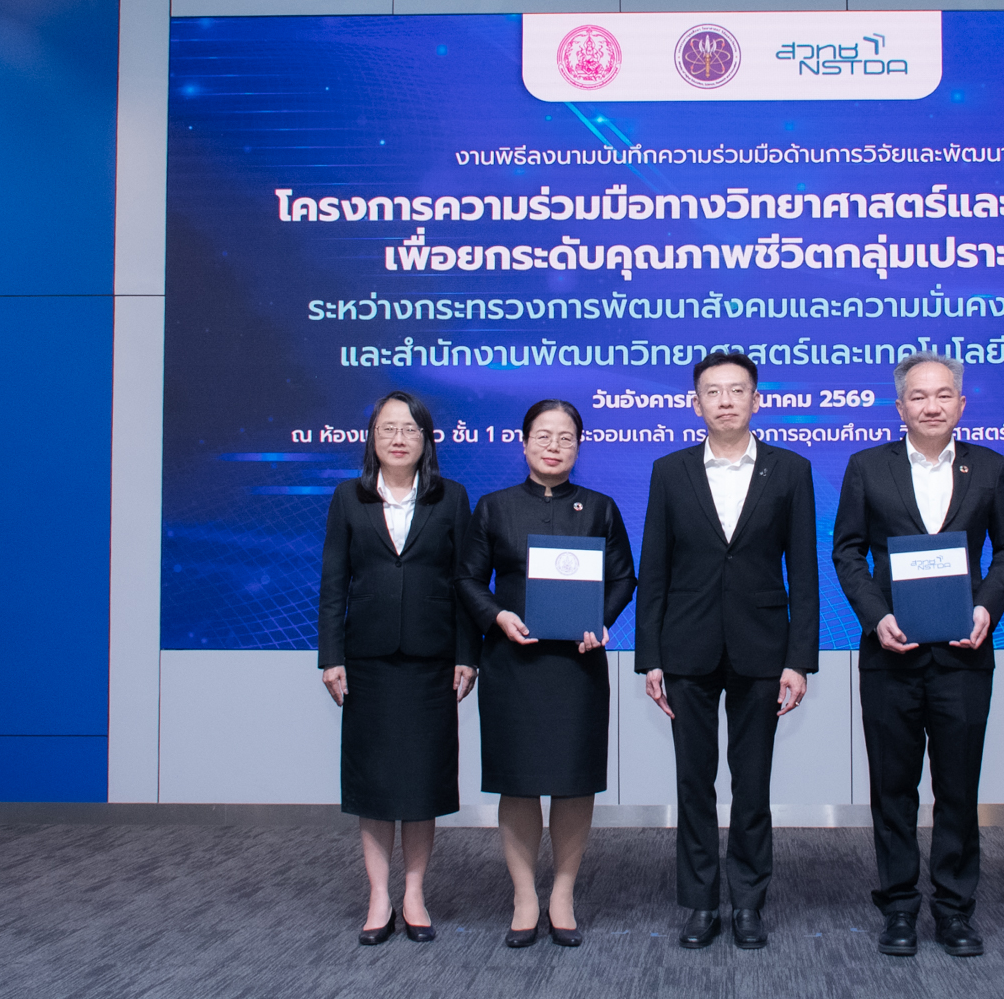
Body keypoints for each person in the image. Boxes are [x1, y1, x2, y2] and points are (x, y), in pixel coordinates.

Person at [833, 351, 1004, 958]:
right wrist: (876, 615)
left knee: (958, 787)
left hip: (965, 655)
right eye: (919, 396)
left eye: (943, 395)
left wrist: (987, 607)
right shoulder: (867, 467)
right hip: (891, 653)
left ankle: (955, 909)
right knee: (893, 788)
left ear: (961, 404)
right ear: (900, 407)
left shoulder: (989, 467)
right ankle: (897, 906)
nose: (932, 405)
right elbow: (847, 552)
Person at [636, 350, 819, 950]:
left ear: (756, 399)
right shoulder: (670, 470)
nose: (725, 401)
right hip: (685, 647)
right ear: (696, 403)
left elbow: (805, 572)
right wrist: (649, 656)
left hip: (762, 650)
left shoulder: (790, 470)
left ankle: (748, 901)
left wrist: (799, 659)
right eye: (712, 392)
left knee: (753, 782)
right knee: (694, 782)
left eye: (736, 390)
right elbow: (654, 569)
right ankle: (699, 903)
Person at [454, 399, 636, 949]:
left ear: (579, 446)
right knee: (519, 781)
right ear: (524, 442)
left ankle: (562, 893)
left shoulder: (600, 508)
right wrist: (497, 617)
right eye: (543, 436)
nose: (554, 446)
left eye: (565, 438)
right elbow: (466, 580)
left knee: (574, 782)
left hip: (577, 665)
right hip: (513, 663)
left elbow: (625, 578)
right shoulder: (493, 507)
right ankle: (524, 897)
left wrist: (598, 621)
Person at [317, 391, 479, 946]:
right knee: (374, 783)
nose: (398, 438)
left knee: (422, 780)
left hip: (431, 662)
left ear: (426, 440)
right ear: (372, 438)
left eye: (410, 429)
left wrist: (467, 653)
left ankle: (414, 892)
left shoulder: (451, 498)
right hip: (367, 662)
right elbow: (333, 584)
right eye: (387, 428)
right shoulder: (347, 498)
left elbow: (465, 585)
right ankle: (378, 894)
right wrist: (331, 657)